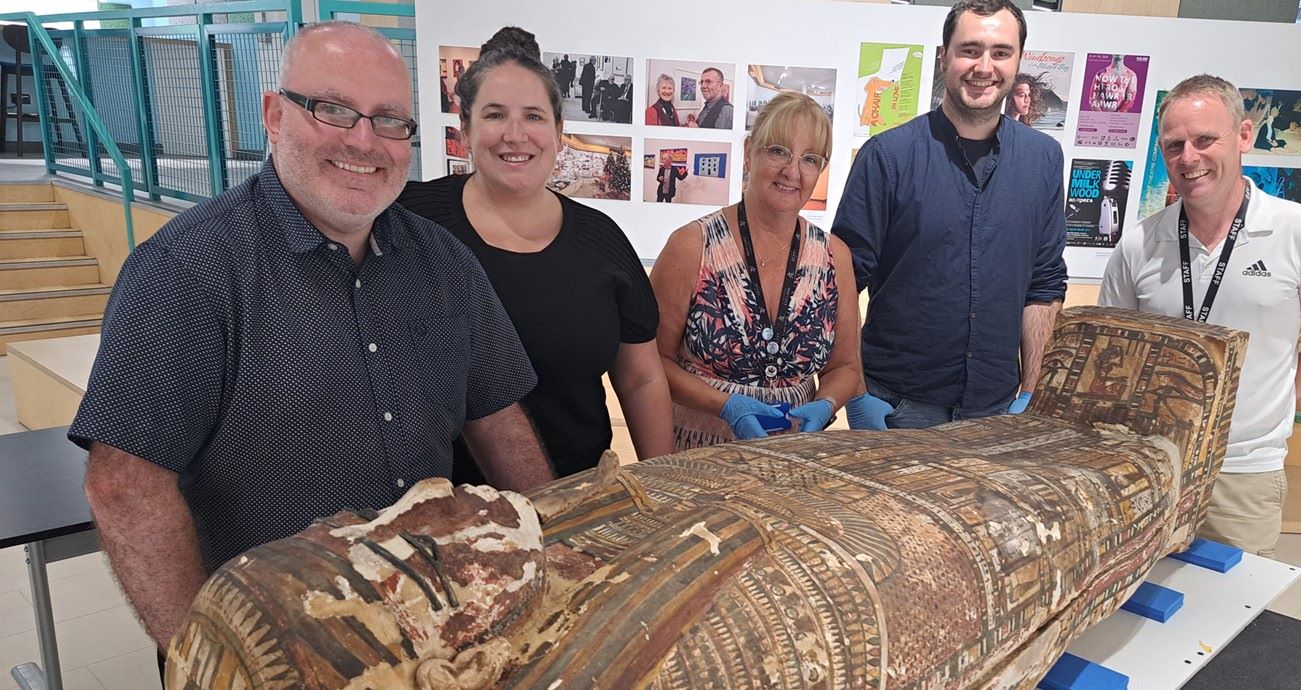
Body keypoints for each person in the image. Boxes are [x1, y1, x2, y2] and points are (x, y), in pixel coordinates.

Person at [70, 21, 554, 655]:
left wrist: (552, 561)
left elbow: (499, 420)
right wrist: (208, 658)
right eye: (332, 110)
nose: (363, 140)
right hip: (278, 642)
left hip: (429, 629)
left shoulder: (444, 264)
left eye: (389, 121)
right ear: (275, 115)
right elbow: (125, 484)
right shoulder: (187, 270)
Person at [397, 26, 673, 480]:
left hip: (576, 508)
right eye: (494, 115)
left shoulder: (602, 241)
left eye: (533, 116)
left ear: (559, 131)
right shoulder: (411, 224)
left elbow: (641, 378)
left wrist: (662, 491)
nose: (515, 134)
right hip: (438, 512)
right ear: (464, 127)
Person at [1099, 74, 1301, 557]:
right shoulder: (1138, 243)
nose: (1188, 159)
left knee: (1230, 617)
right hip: (1150, 468)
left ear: (1244, 136)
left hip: (1243, 472)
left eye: (1204, 140)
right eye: (1174, 146)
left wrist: (1260, 404)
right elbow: (1114, 358)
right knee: (1133, 616)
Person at [834, 0, 1067, 430]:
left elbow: (1044, 281)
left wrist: (1032, 389)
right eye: (970, 50)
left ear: (1018, 62)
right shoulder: (887, 157)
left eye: (1001, 52)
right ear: (944, 57)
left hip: (998, 410)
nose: (984, 66)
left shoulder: (1044, 160)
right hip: (896, 407)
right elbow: (843, 284)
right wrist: (855, 388)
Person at [651, 92, 864, 448]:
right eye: (778, 151)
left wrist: (825, 405)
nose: (792, 172)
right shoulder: (692, 246)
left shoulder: (833, 257)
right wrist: (726, 405)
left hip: (791, 452)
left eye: (809, 159)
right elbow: (652, 362)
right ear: (750, 152)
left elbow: (843, 367)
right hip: (698, 452)